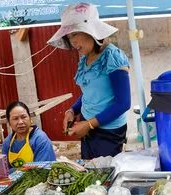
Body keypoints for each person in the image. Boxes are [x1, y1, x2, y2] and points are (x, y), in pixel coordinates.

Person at [48, 2, 131, 159]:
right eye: (68, 37)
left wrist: (89, 124)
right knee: (90, 176)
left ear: (91, 32)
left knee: (105, 178)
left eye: (75, 34)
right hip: (87, 126)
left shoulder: (112, 57)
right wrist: (72, 110)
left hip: (108, 132)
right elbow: (89, 93)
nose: (72, 42)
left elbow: (123, 103)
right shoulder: (84, 58)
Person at [2, 101, 56, 168]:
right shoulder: (7, 142)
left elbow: (42, 170)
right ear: (9, 122)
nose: (20, 122)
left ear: (30, 118)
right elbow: (5, 169)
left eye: (23, 117)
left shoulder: (40, 139)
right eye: (15, 119)